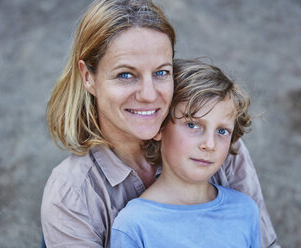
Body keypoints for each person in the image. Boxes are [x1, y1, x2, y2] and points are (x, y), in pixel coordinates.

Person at [40, 0, 278, 247]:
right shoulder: (71, 194)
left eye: (161, 72)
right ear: (88, 77)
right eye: (125, 75)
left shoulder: (224, 149)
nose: (149, 94)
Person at [110, 58, 260, 247]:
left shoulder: (245, 211)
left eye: (222, 131)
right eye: (192, 125)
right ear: (159, 127)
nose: (210, 144)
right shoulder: (134, 225)